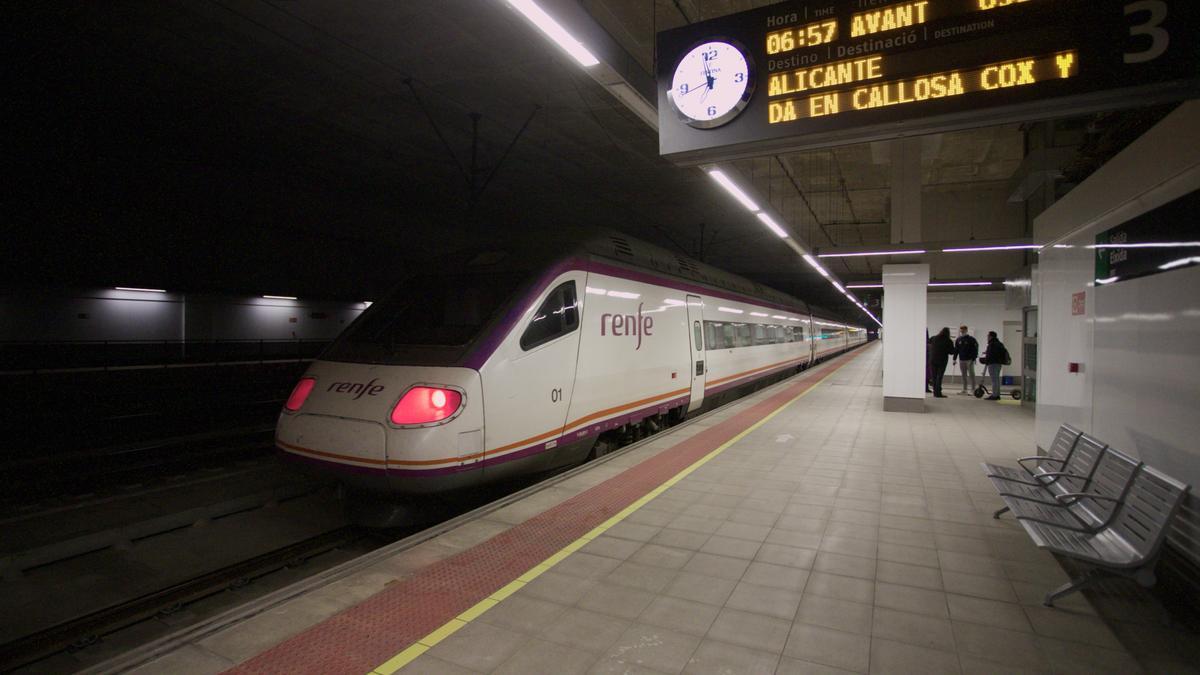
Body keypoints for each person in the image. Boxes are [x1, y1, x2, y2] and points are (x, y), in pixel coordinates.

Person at [979, 331, 1010, 401]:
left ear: (991, 336)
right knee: (996, 380)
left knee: (994, 380)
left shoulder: (992, 344)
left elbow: (991, 355)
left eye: (988, 336)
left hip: (993, 364)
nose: (987, 337)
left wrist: (986, 361)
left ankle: (995, 395)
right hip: (998, 364)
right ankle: (997, 394)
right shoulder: (999, 344)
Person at [928, 327, 956, 398]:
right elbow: (951, 352)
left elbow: (928, 344)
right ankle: (938, 393)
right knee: (939, 377)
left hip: (932, 359)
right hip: (942, 361)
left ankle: (935, 392)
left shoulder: (934, 338)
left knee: (934, 376)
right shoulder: (948, 341)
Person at [953, 325, 979, 395]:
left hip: (969, 360)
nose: (962, 332)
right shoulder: (958, 339)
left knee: (971, 375)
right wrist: (954, 359)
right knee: (963, 375)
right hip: (962, 359)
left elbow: (975, 349)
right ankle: (965, 389)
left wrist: (973, 358)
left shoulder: (971, 339)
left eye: (963, 330)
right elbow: (956, 349)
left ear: (966, 330)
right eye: (961, 331)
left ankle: (973, 389)